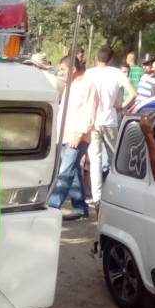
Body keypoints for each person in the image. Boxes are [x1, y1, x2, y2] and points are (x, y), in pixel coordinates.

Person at [86, 46, 137, 209]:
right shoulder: (116, 73)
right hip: (110, 120)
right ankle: (120, 193)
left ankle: (97, 198)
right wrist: (121, 105)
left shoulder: (89, 74)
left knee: (95, 160)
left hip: (93, 122)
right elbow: (133, 93)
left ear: (96, 57)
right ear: (111, 59)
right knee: (115, 157)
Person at [48, 55, 98, 220]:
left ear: (73, 69)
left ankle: (52, 207)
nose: (60, 72)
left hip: (77, 136)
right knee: (73, 171)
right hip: (65, 135)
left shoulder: (87, 85)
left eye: (63, 69)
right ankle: (80, 208)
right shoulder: (71, 86)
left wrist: (79, 134)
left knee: (65, 173)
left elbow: (89, 113)